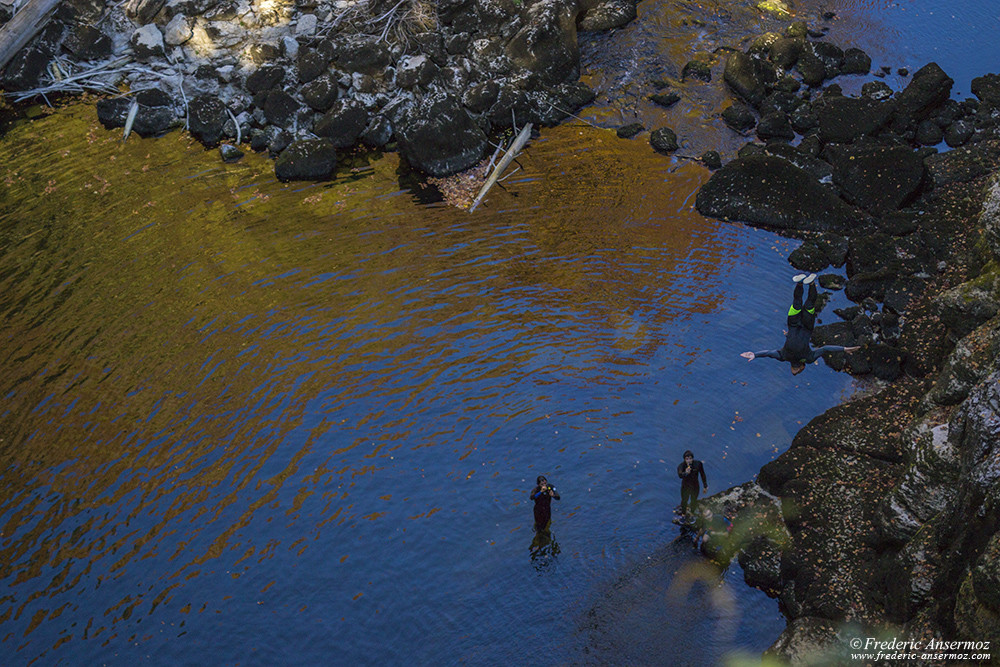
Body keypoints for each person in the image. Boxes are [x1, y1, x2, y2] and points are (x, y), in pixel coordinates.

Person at [741, 273, 860, 375]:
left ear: (802, 366)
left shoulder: (809, 358)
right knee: (797, 303)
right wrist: (754, 354)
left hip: (807, 326)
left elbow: (825, 349)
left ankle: (811, 283)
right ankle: (799, 283)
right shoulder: (784, 356)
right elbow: (768, 353)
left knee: (810, 303)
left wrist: (844, 349)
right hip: (792, 323)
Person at [676, 450, 707, 519]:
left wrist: (705, 486)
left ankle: (692, 513)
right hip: (685, 486)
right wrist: (686, 473)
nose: (689, 461)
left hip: (695, 485)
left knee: (694, 500)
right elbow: (680, 475)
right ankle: (683, 514)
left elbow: (702, 474)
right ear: (684, 459)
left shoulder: (698, 464)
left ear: (692, 458)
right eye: (687, 459)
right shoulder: (681, 466)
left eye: (690, 458)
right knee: (684, 500)